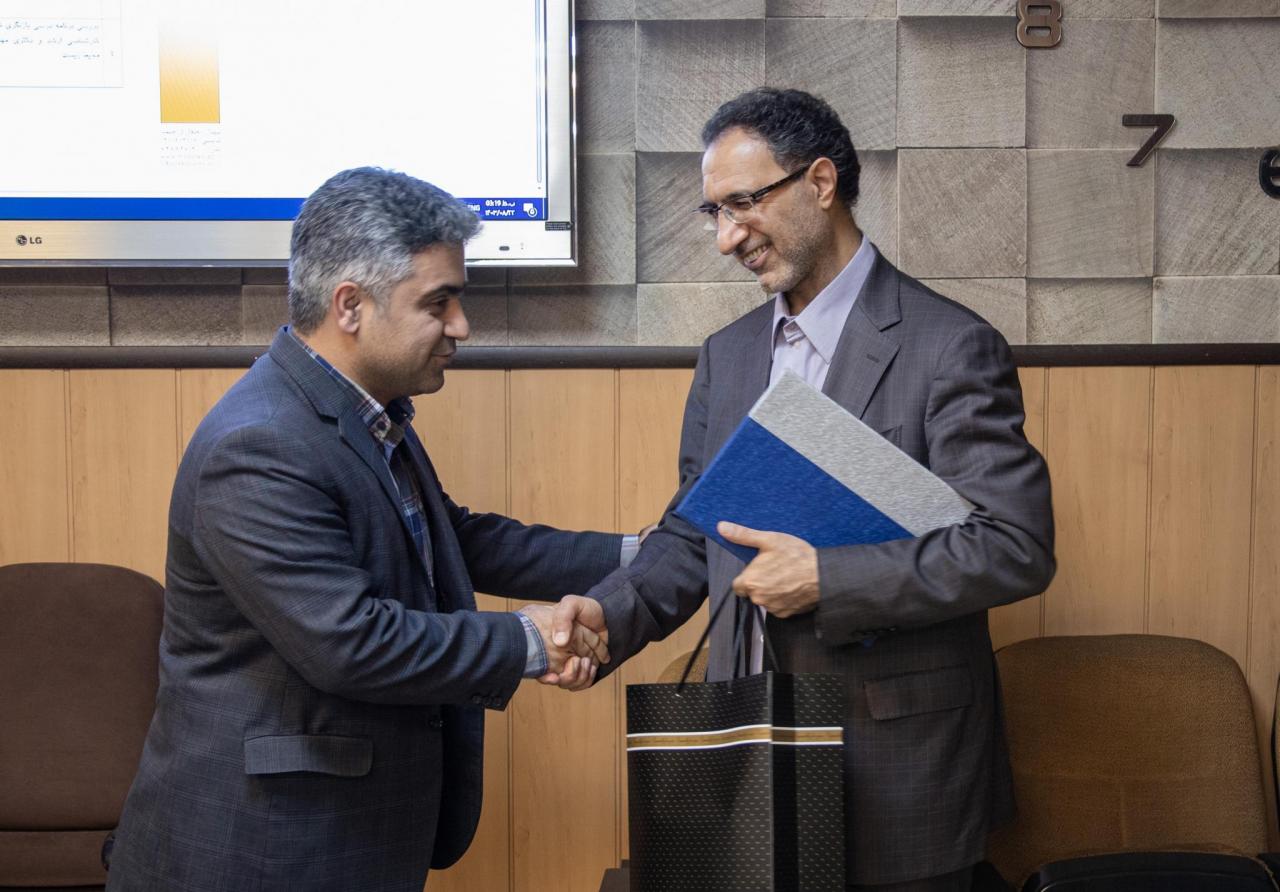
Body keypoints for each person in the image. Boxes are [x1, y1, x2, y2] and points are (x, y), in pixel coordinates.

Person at [558, 88, 1055, 891]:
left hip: (900, 762)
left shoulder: (949, 346)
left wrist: (826, 578)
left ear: (821, 182)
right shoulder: (727, 355)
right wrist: (607, 617)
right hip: (748, 746)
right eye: (714, 213)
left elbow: (1013, 546)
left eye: (744, 203)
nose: (727, 237)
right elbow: (694, 534)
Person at [107, 167, 623, 891]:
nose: (461, 327)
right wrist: (532, 641)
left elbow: (456, 542)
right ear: (350, 305)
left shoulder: (365, 412)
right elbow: (350, 643)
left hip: (336, 836)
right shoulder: (258, 444)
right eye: (438, 303)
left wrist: (644, 554)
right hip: (261, 852)